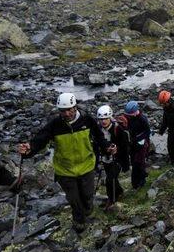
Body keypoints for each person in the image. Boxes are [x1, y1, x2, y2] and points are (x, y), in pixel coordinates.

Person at [17, 93, 115, 233]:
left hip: (86, 166)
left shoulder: (87, 120)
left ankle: (88, 211)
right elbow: (40, 140)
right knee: (74, 200)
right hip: (65, 170)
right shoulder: (55, 125)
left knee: (87, 195)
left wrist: (107, 147)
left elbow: (99, 137)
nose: (67, 113)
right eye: (63, 111)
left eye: (70, 109)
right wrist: (29, 149)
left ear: (75, 107)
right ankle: (79, 220)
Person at [96, 105, 130, 210]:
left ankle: (111, 199)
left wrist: (117, 149)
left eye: (106, 119)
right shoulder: (98, 130)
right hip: (106, 159)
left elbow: (125, 145)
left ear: (110, 117)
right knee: (113, 178)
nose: (103, 121)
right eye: (101, 119)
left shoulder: (117, 129)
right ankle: (119, 192)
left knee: (109, 180)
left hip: (117, 159)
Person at [123, 101, 151, 189]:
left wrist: (136, 139)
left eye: (130, 114)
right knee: (134, 163)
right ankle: (135, 183)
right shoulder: (130, 118)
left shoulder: (142, 119)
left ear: (135, 112)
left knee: (139, 163)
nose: (129, 116)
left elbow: (147, 132)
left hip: (141, 144)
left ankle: (141, 181)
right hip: (133, 144)